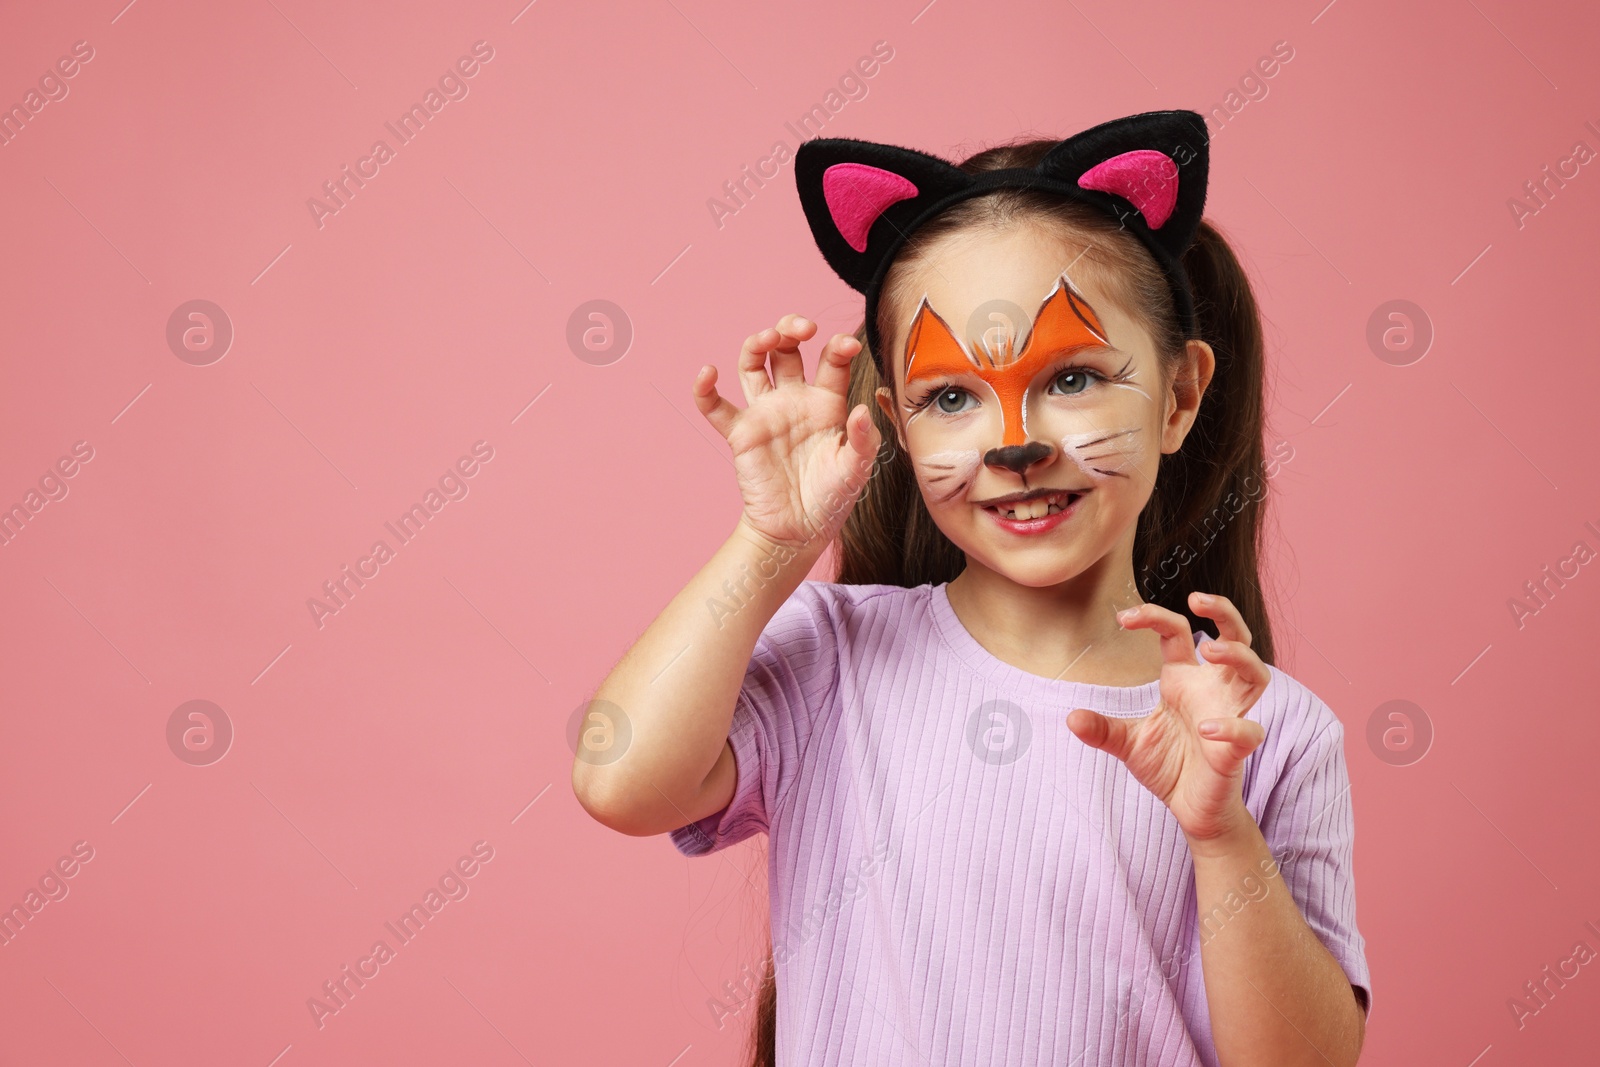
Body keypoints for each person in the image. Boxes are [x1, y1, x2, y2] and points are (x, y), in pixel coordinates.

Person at [572, 110, 1371, 1067]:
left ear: (1179, 396)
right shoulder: (835, 655)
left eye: (1073, 377)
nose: (1013, 444)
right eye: (949, 397)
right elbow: (619, 779)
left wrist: (1221, 835)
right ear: (896, 429)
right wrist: (771, 543)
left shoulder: (1269, 733)